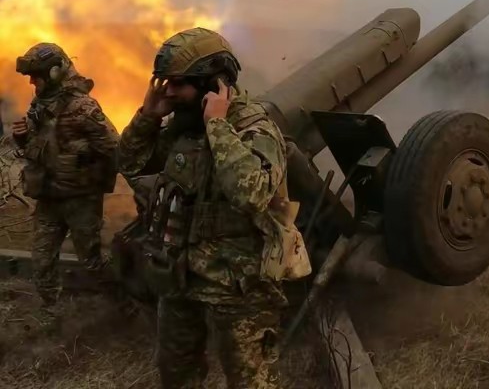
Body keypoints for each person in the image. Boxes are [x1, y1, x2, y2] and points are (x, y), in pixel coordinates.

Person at [115, 27, 303, 389]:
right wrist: (148, 117)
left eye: (178, 83)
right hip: (180, 272)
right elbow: (129, 162)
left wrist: (217, 125)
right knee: (176, 372)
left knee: (250, 380)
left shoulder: (254, 127)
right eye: (164, 82)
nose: (169, 91)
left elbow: (253, 193)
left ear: (214, 83)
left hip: (238, 281)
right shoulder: (182, 127)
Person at [10, 43, 119, 321]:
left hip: (80, 199)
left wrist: (89, 168)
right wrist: (24, 138)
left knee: (92, 261)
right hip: (49, 197)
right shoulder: (40, 103)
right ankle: (51, 314)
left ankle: (124, 305)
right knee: (42, 260)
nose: (32, 82)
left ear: (55, 71)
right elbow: (39, 146)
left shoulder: (84, 107)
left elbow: (113, 147)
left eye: (36, 75)